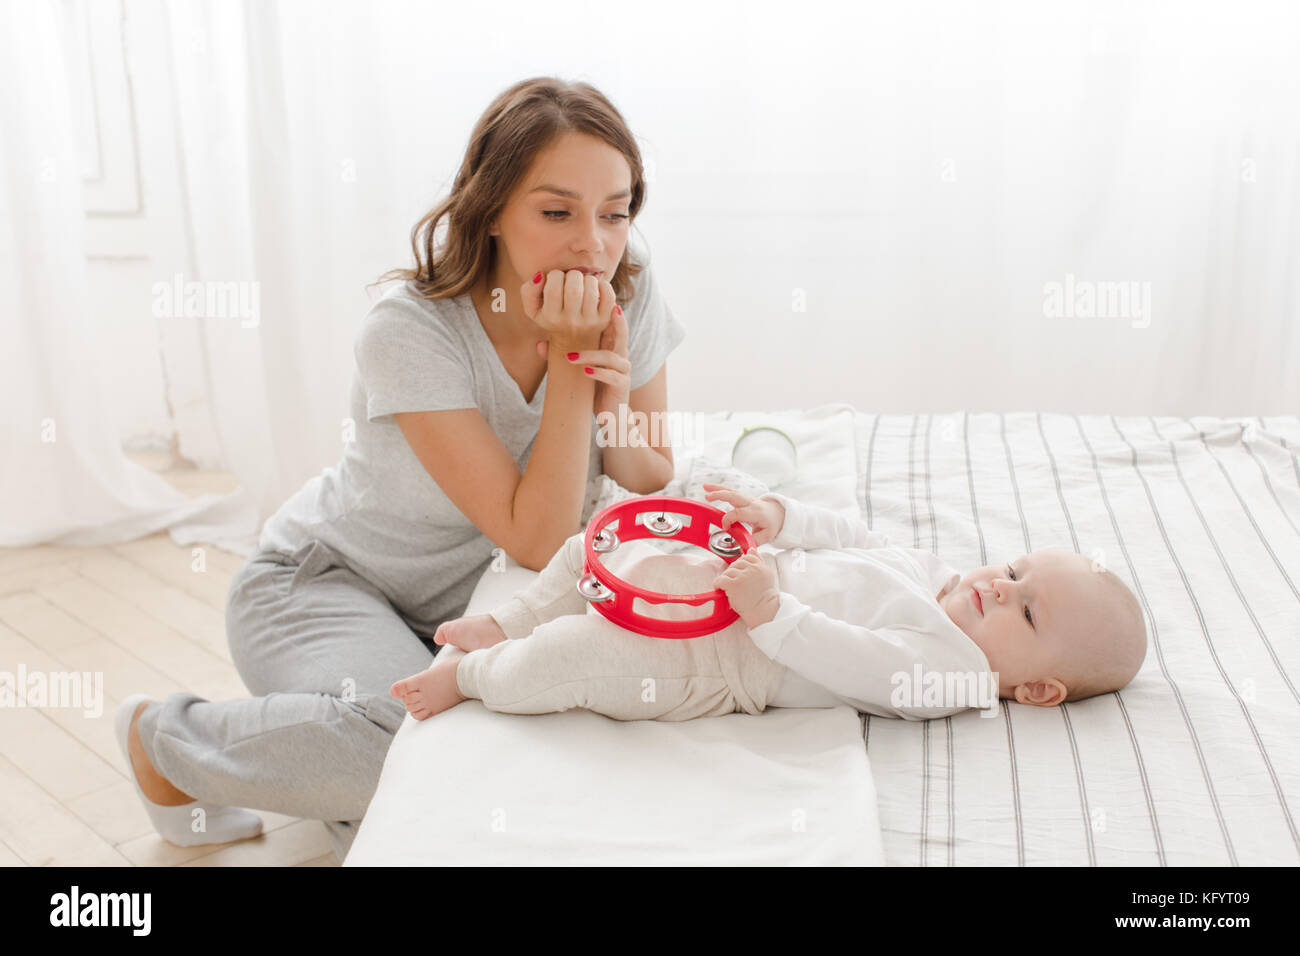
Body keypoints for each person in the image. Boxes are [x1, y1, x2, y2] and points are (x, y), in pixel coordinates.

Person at [114, 77, 686, 862]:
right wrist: (571, 370)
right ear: (490, 213)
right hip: (326, 581)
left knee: (465, 794)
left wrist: (612, 386)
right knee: (407, 749)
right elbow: (536, 535)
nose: (593, 243)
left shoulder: (630, 283)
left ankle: (333, 786)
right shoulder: (409, 331)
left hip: (468, 610)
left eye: (615, 212)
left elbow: (649, 473)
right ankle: (166, 740)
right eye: (557, 212)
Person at [390, 483, 1148, 722]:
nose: (1002, 587)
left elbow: (856, 662)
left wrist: (771, 613)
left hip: (720, 657)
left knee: (570, 664)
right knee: (594, 540)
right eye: (1015, 569)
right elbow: (855, 535)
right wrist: (785, 521)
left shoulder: (954, 675)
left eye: (1027, 612)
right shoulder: (939, 574)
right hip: (735, 577)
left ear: (1039, 689)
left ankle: (474, 676)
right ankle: (512, 616)